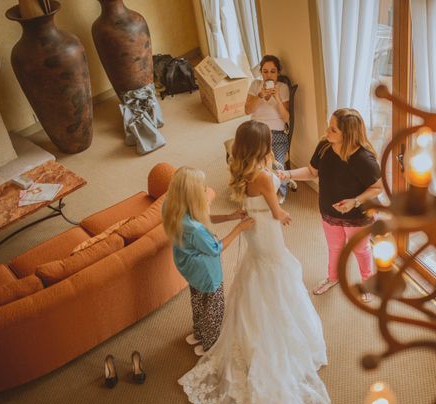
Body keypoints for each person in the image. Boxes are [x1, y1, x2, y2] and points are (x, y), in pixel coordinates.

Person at [178, 120, 330, 404]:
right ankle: (276, 333)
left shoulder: (243, 170)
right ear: (261, 146)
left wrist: (278, 178)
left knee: (259, 272)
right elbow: (277, 210)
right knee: (280, 271)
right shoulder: (263, 176)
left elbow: (250, 203)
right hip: (268, 233)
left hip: (254, 234)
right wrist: (285, 215)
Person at [280, 108, 383, 302]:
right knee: (335, 247)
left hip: (358, 217)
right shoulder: (324, 146)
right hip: (329, 210)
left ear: (348, 134)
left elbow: (378, 187)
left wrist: (355, 201)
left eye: (333, 129)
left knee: (360, 249)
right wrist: (289, 175)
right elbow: (312, 172)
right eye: (329, 125)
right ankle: (333, 277)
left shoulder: (364, 159)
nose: (327, 131)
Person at [162, 167, 255, 355]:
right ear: (193, 196)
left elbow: (202, 218)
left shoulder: (170, 208)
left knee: (198, 301)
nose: (207, 190)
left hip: (188, 268)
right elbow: (215, 249)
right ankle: (210, 346)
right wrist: (239, 228)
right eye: (203, 189)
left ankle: (198, 333)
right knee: (214, 308)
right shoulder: (196, 229)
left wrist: (229, 216)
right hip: (207, 273)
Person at [244, 54, 295, 203]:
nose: (269, 75)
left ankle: (279, 193)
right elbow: (247, 110)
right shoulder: (255, 85)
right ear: (261, 72)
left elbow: (286, 118)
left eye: (273, 71)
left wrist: (277, 98)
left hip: (277, 135)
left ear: (278, 72)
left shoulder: (283, 88)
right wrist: (260, 96)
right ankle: (252, 190)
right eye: (265, 71)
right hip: (256, 132)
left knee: (277, 167)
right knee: (251, 163)